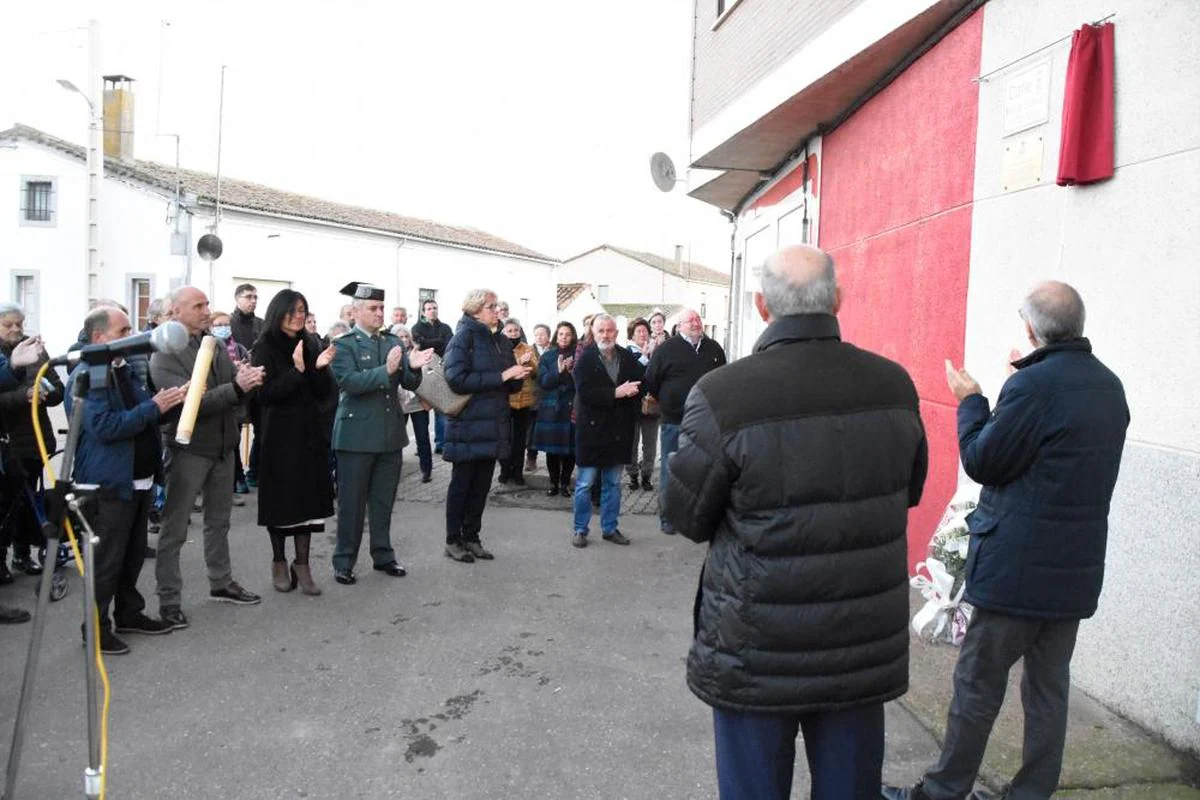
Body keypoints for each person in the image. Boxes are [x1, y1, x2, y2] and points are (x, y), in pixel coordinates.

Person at [666, 245, 928, 800]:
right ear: (837, 300)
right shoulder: (894, 386)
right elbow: (909, 492)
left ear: (762, 306)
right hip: (859, 643)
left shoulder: (721, 395)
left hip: (754, 648)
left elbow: (684, 515)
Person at [884, 282, 1129, 800]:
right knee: (1048, 692)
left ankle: (943, 792)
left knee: (977, 687)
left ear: (1031, 329)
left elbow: (982, 459)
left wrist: (972, 401)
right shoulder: (1109, 386)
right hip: (1074, 574)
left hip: (1017, 572)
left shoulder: (1033, 388)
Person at [67, 307, 189, 653]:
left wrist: (173, 400)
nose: (131, 337)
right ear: (98, 338)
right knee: (107, 561)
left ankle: (129, 612)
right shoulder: (87, 374)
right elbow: (105, 427)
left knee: (132, 555)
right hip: (107, 484)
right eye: (122, 331)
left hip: (137, 479)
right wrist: (154, 406)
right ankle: (95, 628)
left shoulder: (122, 369)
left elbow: (145, 413)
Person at [151, 286, 266, 630]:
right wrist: (236, 388)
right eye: (198, 306)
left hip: (222, 447)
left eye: (206, 304)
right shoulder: (164, 354)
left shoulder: (211, 344)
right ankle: (169, 599)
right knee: (174, 528)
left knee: (219, 521)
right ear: (175, 312)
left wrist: (247, 378)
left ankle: (221, 582)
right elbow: (190, 404)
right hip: (189, 450)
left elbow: (231, 385)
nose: (206, 311)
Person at [329, 282, 431, 585]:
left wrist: (412, 367)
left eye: (381, 308)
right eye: (373, 308)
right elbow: (349, 383)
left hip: (389, 434)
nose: (379, 313)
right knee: (352, 503)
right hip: (356, 437)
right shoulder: (344, 344)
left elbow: (409, 384)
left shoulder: (391, 342)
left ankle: (383, 555)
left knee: (383, 500)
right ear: (356, 311)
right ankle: (344, 561)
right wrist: (386, 371)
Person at [251, 290, 338, 596]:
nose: (300, 316)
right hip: (278, 436)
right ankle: (278, 561)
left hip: (309, 434)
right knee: (282, 503)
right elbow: (263, 396)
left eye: (303, 310)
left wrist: (320, 368)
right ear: (280, 312)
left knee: (308, 503)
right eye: (294, 310)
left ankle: (302, 564)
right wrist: (298, 371)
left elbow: (323, 393)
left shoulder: (311, 342)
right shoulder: (264, 346)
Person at [441, 289, 530, 563]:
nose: (497, 310)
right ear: (475, 310)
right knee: (462, 486)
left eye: (497, 306)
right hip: (468, 424)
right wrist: (503, 375)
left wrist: (518, 374)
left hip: (493, 424)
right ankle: (453, 540)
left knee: (481, 487)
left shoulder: (500, 340)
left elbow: (506, 382)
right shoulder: (463, 338)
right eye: (491, 306)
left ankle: (472, 537)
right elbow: (455, 379)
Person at [642, 308, 726, 534]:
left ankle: (699, 516)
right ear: (679, 326)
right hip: (674, 421)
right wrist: (668, 402)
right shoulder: (666, 350)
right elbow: (651, 380)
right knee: (671, 470)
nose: (695, 323)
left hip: (707, 422)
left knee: (704, 471)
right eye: (690, 321)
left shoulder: (714, 349)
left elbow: (723, 379)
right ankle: (668, 517)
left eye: (697, 320)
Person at [0, 303, 63, 580]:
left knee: (30, 501)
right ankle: (3, 560)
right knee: (7, 506)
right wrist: (23, 395)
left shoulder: (35, 350)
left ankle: (23, 555)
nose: (15, 329)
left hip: (35, 439)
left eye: (19, 323)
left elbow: (59, 389)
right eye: (8, 324)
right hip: (9, 442)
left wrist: (48, 393)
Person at [569, 315, 642, 548]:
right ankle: (580, 529)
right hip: (591, 431)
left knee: (613, 484)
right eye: (601, 330)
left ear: (617, 333)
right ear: (593, 331)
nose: (605, 335)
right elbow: (585, 392)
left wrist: (637, 391)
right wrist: (615, 393)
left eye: (610, 330)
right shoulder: (585, 359)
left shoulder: (626, 356)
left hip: (619, 430)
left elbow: (642, 381)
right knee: (585, 484)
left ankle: (610, 528)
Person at [209, 311, 251, 504]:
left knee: (232, 445)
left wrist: (242, 369)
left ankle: (233, 486)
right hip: (216, 403)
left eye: (226, 324)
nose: (223, 328)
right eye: (218, 325)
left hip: (235, 405)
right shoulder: (208, 348)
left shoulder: (239, 348)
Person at [533, 323, 578, 498]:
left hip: (572, 406)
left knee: (570, 449)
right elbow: (543, 382)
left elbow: (583, 382)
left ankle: (565, 483)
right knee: (552, 449)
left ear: (573, 336)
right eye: (561, 334)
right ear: (556, 336)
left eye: (568, 334)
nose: (564, 337)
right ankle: (553, 482)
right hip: (551, 408)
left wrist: (572, 370)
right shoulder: (548, 356)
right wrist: (558, 371)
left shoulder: (579, 355)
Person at [231, 284, 265, 489]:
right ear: (237, 299)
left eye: (255, 297)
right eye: (248, 296)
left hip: (259, 384)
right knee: (234, 433)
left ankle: (254, 471)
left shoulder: (261, 324)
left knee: (261, 431)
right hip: (237, 384)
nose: (253, 300)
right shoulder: (230, 323)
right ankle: (237, 477)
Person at [411, 299, 454, 455]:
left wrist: (430, 343)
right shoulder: (416, 328)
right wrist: (438, 342)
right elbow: (419, 345)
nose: (432, 311)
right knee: (422, 411)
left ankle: (441, 443)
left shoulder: (445, 327)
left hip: (442, 370)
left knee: (441, 409)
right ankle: (421, 446)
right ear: (423, 312)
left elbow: (450, 345)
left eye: (435, 308)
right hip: (423, 371)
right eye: (429, 308)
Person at [498, 318, 537, 486]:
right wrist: (519, 363)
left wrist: (530, 364)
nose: (513, 333)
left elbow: (536, 370)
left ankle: (518, 471)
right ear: (503, 333)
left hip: (524, 399)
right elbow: (501, 372)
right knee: (504, 438)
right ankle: (505, 470)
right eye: (510, 330)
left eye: (516, 330)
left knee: (520, 439)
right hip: (505, 400)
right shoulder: (498, 349)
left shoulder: (527, 348)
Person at [393, 325, 433, 483]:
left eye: (405, 336)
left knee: (422, 437)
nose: (404, 340)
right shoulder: (392, 354)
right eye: (400, 337)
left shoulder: (416, 353)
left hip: (417, 402)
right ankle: (394, 469)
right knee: (396, 438)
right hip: (399, 402)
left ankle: (427, 470)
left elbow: (426, 375)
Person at [624, 317, 659, 491]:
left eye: (645, 330)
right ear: (632, 335)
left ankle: (646, 475)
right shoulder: (626, 353)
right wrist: (644, 357)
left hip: (652, 404)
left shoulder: (657, 351)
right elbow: (632, 376)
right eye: (638, 331)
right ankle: (632, 475)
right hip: (632, 405)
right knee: (632, 441)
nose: (642, 334)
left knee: (650, 443)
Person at [525, 324, 552, 473]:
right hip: (533, 396)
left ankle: (553, 460)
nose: (539, 337)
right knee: (532, 429)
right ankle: (531, 457)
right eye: (536, 334)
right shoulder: (528, 351)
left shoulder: (554, 351)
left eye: (542, 334)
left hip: (549, 396)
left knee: (549, 430)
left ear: (548, 335)